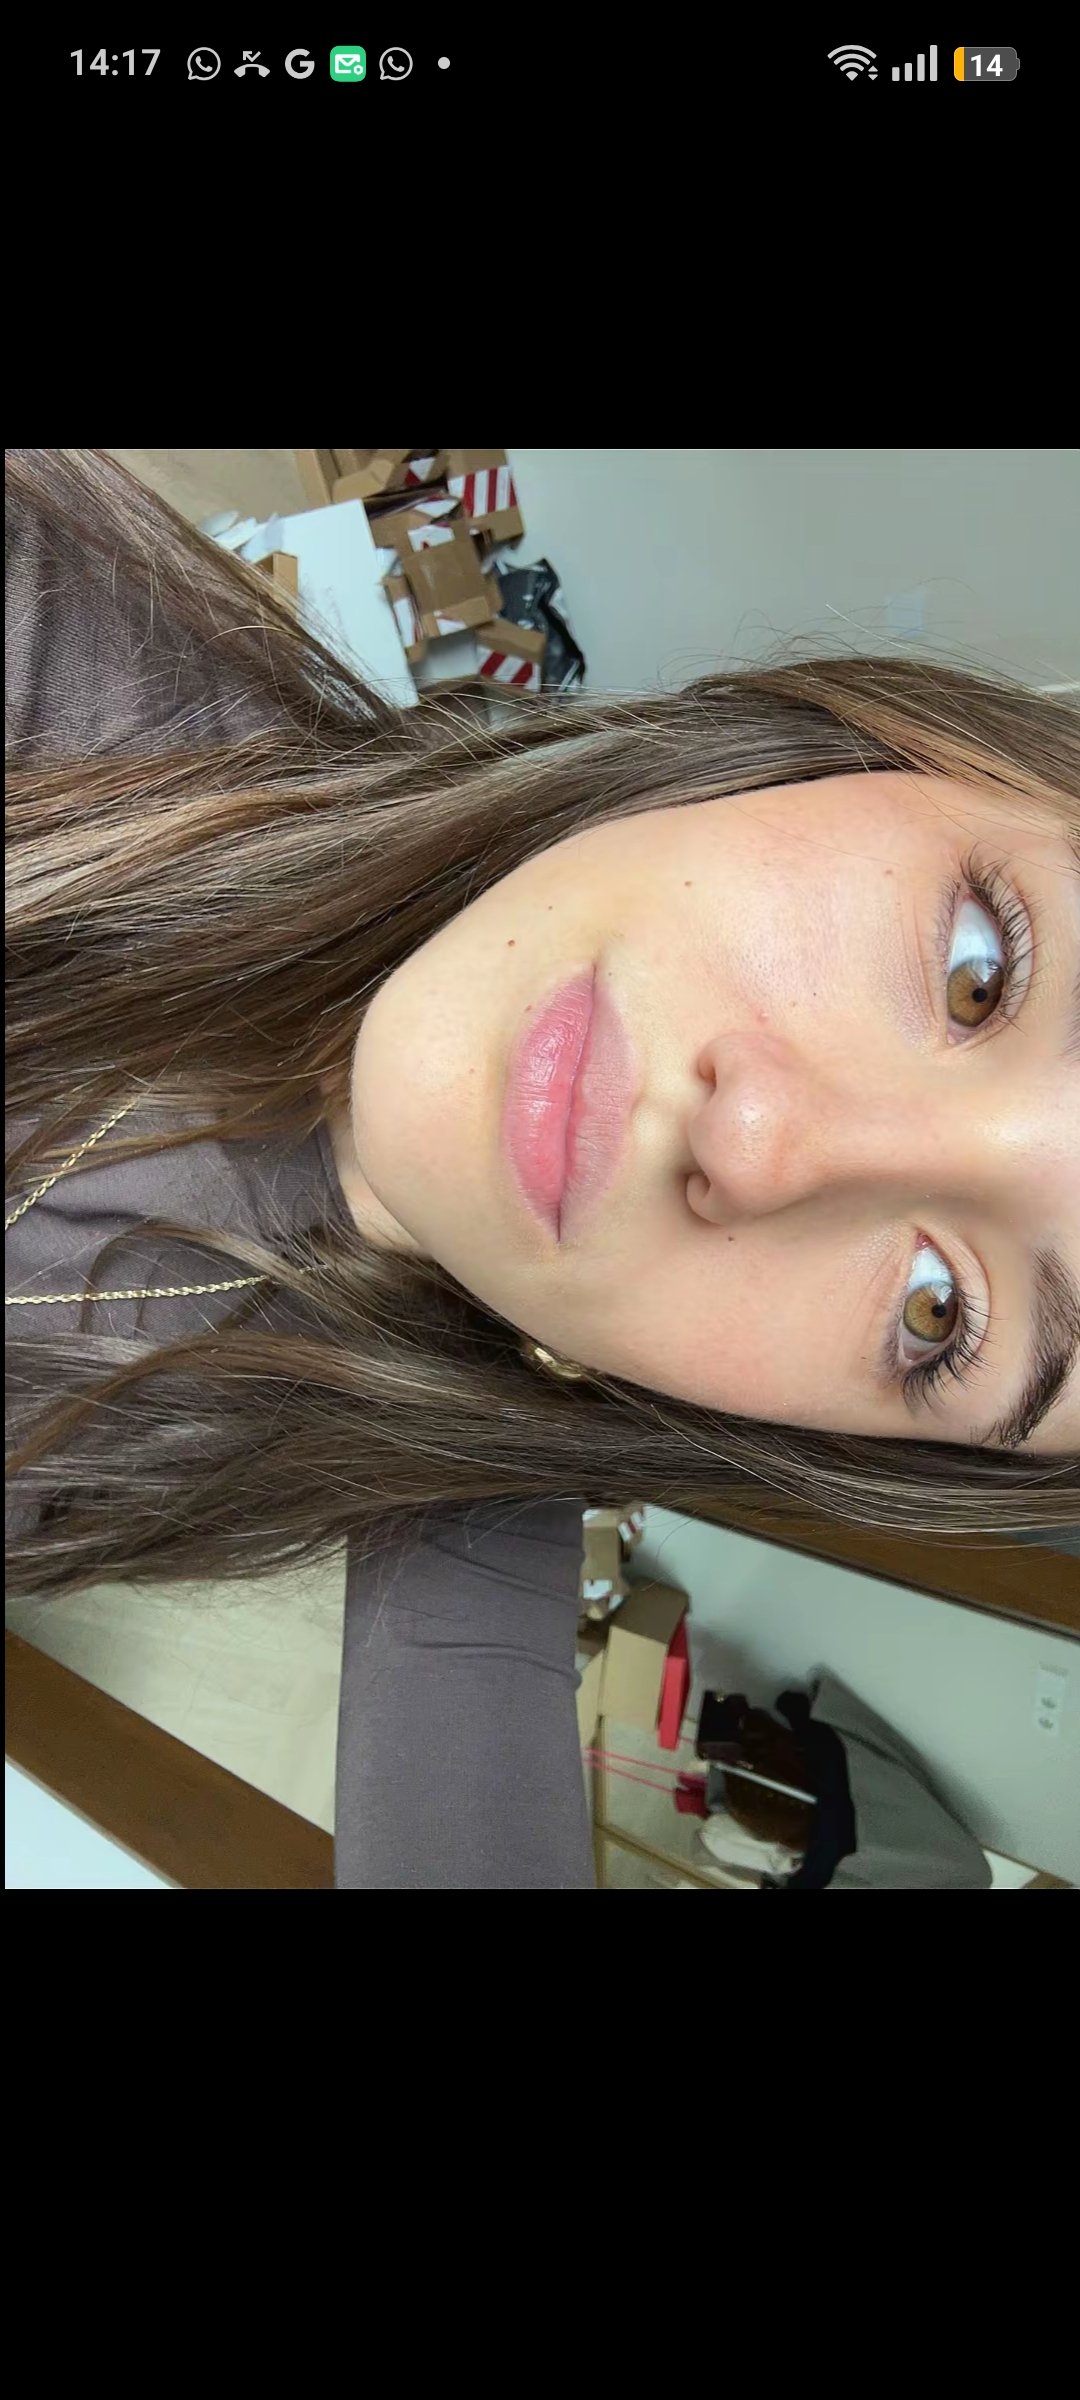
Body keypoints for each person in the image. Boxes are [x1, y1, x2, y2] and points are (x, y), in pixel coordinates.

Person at [6, 448, 1079, 1888]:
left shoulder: (449, 1460)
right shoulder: (56, 638)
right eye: (978, 971)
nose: (759, 1141)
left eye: (938, 1315)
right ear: (870, 751)